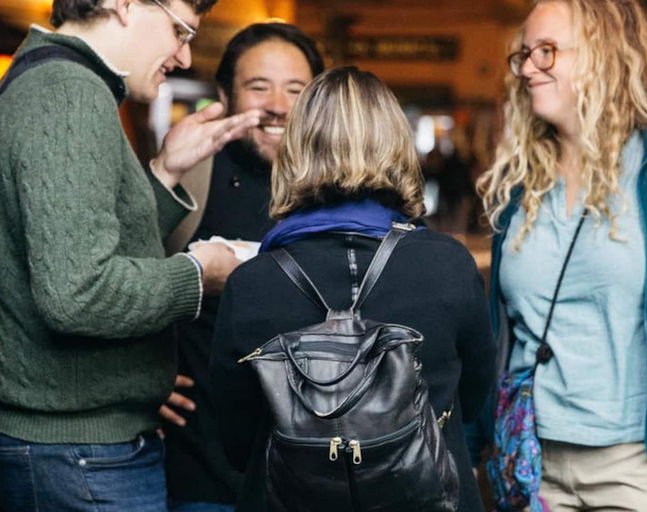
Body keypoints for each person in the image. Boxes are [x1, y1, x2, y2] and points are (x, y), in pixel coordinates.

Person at [0, 0, 261, 510]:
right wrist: (200, 274)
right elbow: (77, 294)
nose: (184, 57)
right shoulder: (69, 94)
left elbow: (77, 237)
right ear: (123, 4)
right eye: (179, 30)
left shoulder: (55, 80)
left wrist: (166, 171)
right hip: (76, 451)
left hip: (68, 443)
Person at [209, 66, 497, 512]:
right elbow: (476, 398)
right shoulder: (448, 265)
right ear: (397, 147)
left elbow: (236, 441)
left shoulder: (251, 284)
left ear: (296, 150)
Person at [474, 0, 647, 510]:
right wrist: (471, 444)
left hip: (644, 469)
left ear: (605, 56)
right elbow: (496, 334)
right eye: (525, 54)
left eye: (548, 52)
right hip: (532, 462)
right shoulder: (518, 184)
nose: (529, 67)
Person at [160, 23, 324, 512]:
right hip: (201, 472)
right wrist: (136, 382)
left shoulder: (339, 186)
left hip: (314, 476)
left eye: (296, 89)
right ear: (225, 94)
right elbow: (120, 279)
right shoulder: (189, 175)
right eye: (259, 86)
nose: (278, 104)